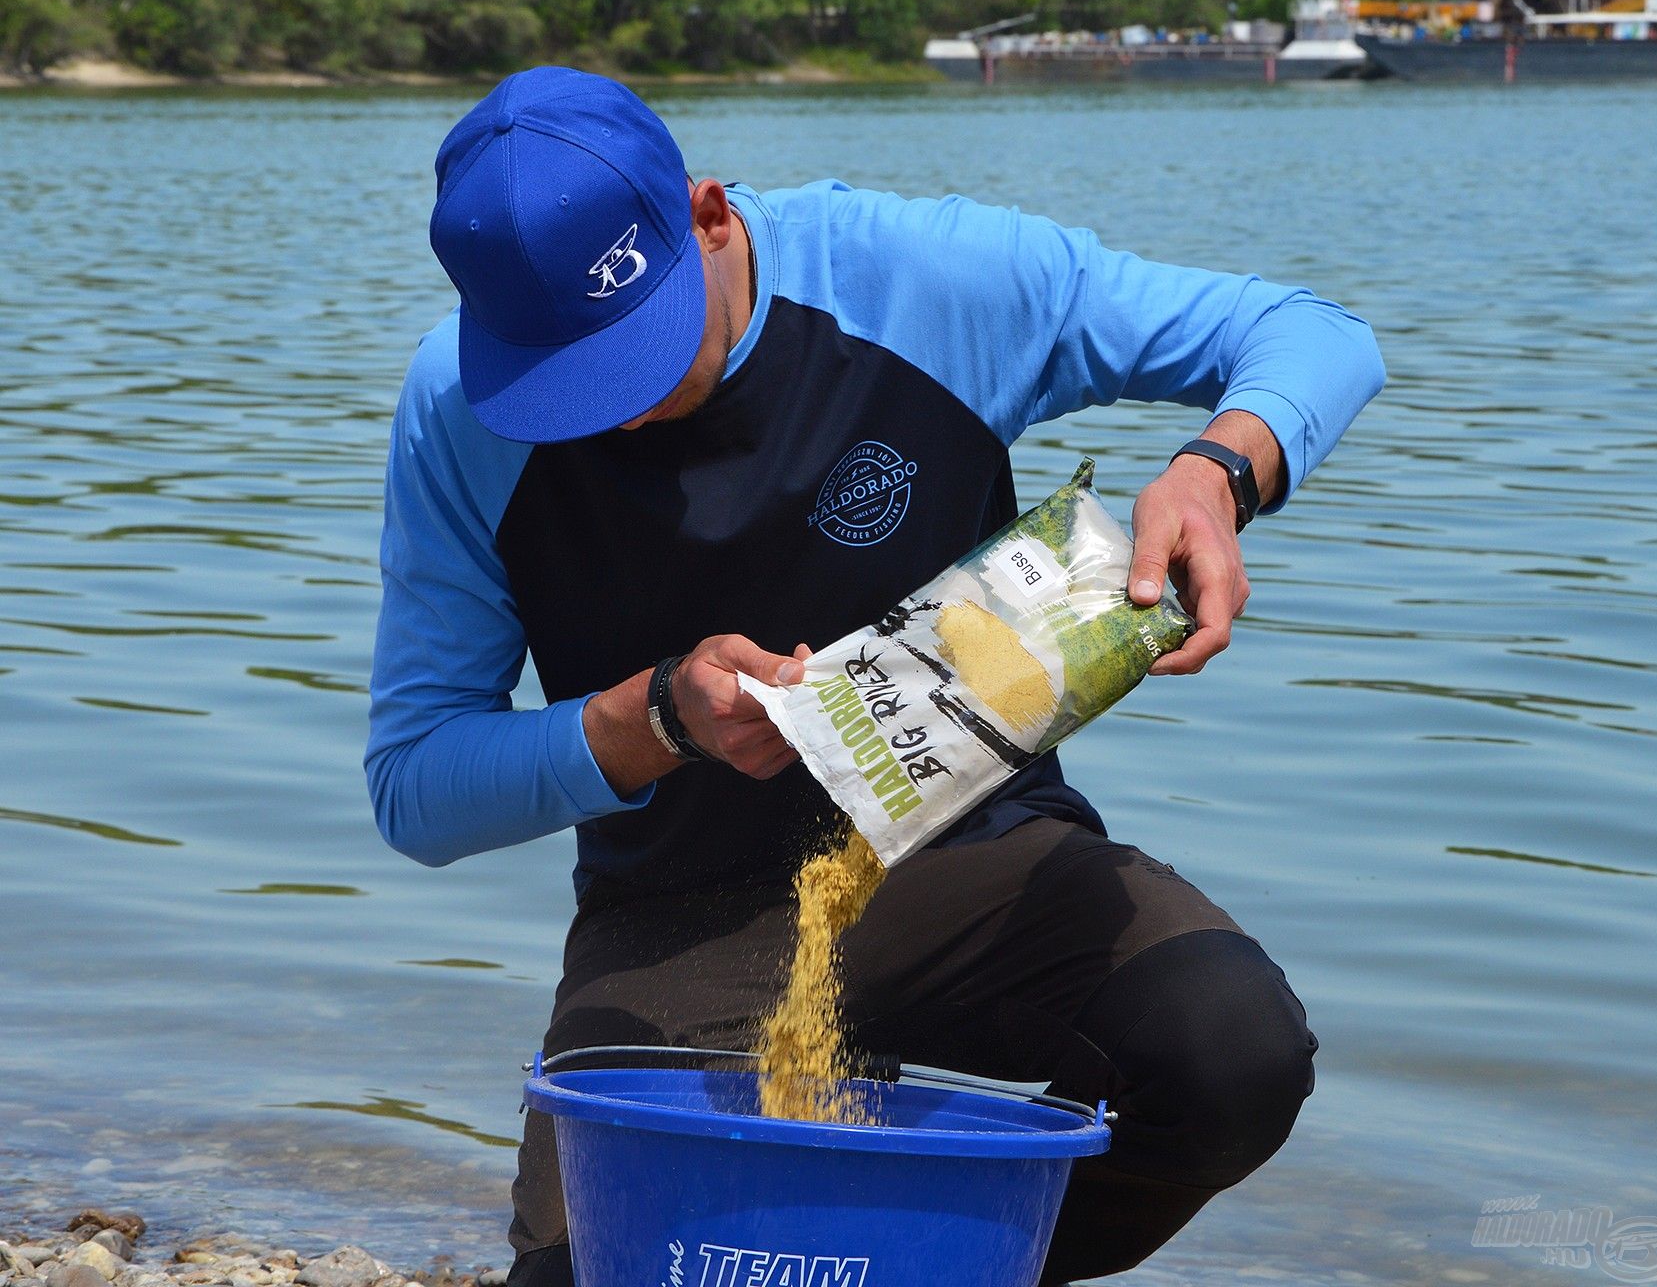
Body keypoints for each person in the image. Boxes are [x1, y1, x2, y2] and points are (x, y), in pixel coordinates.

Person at [365, 66, 1385, 1286]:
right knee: (594, 1270)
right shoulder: (458, 410)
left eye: (635, 354)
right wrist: (654, 720)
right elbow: (416, 787)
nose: (613, 416)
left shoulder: (928, 280)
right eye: (562, 384)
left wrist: (1217, 470)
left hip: (973, 853)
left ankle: (937, 1264)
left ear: (706, 215)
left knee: (1233, 1055)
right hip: (679, 913)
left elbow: (1312, 334)